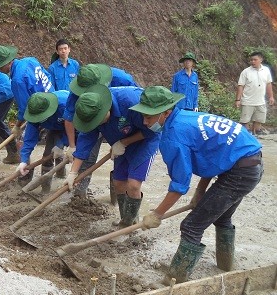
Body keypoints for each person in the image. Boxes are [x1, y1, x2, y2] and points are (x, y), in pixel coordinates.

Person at [130, 86, 263, 283]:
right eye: (143, 115)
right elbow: (211, 156)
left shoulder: (174, 136)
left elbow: (179, 185)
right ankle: (226, 267)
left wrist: (157, 214)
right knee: (221, 218)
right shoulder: (185, 117)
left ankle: (175, 279)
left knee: (191, 226)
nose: (144, 121)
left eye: (149, 117)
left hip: (239, 172)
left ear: (166, 112)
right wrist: (200, 191)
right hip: (251, 162)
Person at [68, 84, 160, 226]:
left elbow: (153, 129)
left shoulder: (131, 102)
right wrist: (73, 173)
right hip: (119, 142)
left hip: (144, 141)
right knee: (118, 182)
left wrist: (125, 142)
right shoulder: (89, 110)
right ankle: (127, 219)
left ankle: (130, 225)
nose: (97, 124)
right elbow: (85, 142)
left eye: (98, 120)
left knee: (134, 184)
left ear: (106, 108)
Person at [64, 64, 140, 198]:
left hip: (123, 120)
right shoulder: (77, 91)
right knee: (88, 155)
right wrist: (72, 150)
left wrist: (124, 142)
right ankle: (79, 195)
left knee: (123, 165)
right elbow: (70, 117)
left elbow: (141, 113)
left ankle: (117, 195)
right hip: (94, 120)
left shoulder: (122, 81)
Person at [0, 45, 55, 175]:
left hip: (40, 111)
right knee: (53, 140)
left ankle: (25, 175)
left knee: (23, 143)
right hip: (52, 99)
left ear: (8, 63)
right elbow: (47, 76)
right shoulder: (30, 60)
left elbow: (24, 109)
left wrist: (18, 126)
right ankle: (59, 172)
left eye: (0, 67)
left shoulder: (17, 80)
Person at [16, 90, 70, 194]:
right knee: (48, 155)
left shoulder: (65, 106)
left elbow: (75, 130)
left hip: (69, 125)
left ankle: (61, 173)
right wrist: (23, 160)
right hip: (53, 125)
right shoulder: (34, 111)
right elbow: (29, 139)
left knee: (59, 151)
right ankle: (45, 190)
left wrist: (61, 144)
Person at [235, 51, 274, 134]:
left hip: (261, 101)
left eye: (255, 60)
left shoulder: (266, 70)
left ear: (261, 60)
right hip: (247, 101)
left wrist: (271, 96)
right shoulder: (246, 72)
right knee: (245, 121)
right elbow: (240, 85)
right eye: (251, 60)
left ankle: (257, 133)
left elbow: (268, 84)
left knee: (259, 119)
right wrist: (238, 100)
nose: (253, 62)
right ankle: (246, 135)